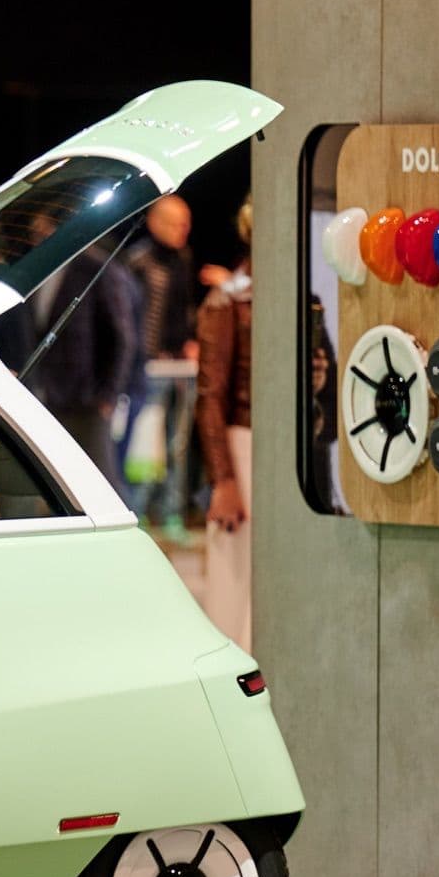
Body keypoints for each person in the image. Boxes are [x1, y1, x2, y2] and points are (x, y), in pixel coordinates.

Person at [120, 195, 201, 542]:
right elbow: (129, 316)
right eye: (175, 222)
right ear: (155, 223)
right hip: (147, 369)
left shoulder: (183, 259)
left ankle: (172, 514)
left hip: (179, 368)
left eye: (186, 223)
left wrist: (190, 341)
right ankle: (134, 512)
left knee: (176, 445)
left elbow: (184, 309)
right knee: (143, 444)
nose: (182, 229)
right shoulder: (137, 260)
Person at [29, 242, 140, 491]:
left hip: (87, 401)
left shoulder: (95, 267)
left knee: (102, 483)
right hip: (47, 399)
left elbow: (121, 337)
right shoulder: (38, 272)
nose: (41, 233)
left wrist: (108, 395)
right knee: (57, 482)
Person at [196, 198, 255, 650]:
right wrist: (224, 481)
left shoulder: (298, 293)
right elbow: (210, 397)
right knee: (233, 592)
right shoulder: (227, 299)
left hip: (279, 449)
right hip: (241, 448)